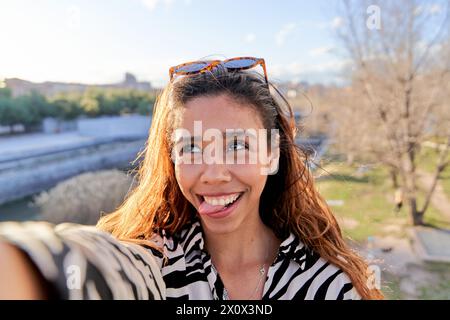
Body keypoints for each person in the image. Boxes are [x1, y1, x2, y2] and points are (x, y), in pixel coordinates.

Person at [0, 57, 383, 300]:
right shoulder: (156, 264)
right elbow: (85, 269)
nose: (213, 174)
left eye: (237, 145)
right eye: (192, 148)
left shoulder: (330, 287)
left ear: (271, 155)